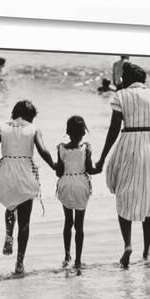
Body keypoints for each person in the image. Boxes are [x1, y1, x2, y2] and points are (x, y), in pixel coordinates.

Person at [96, 63, 150, 268]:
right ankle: (147, 251)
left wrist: (102, 158)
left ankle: (127, 245)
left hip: (128, 142)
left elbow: (114, 129)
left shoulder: (121, 96)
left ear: (126, 79)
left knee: (123, 194)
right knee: (149, 198)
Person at [0, 100, 57, 275]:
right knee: (25, 220)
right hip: (25, 172)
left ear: (15, 112)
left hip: (6, 171)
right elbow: (43, 150)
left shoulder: (2, 127)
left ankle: (8, 234)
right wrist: (54, 166)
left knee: (10, 205)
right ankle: (19, 262)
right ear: (30, 116)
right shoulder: (34, 129)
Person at [55, 116, 102, 271]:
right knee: (79, 225)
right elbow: (90, 169)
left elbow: (59, 172)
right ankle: (78, 260)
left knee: (68, 222)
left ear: (68, 132)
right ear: (83, 132)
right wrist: (100, 166)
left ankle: (67, 255)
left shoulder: (60, 148)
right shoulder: (86, 148)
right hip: (81, 184)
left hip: (65, 184)